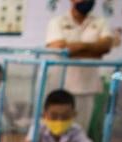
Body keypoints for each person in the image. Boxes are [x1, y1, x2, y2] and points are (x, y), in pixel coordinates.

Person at [45, 0, 114, 128]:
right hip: (60, 86)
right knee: (55, 129)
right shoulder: (57, 22)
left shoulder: (100, 22)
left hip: (87, 87)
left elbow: (106, 46)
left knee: (81, 130)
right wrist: (94, 50)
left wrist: (75, 47)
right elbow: (60, 49)